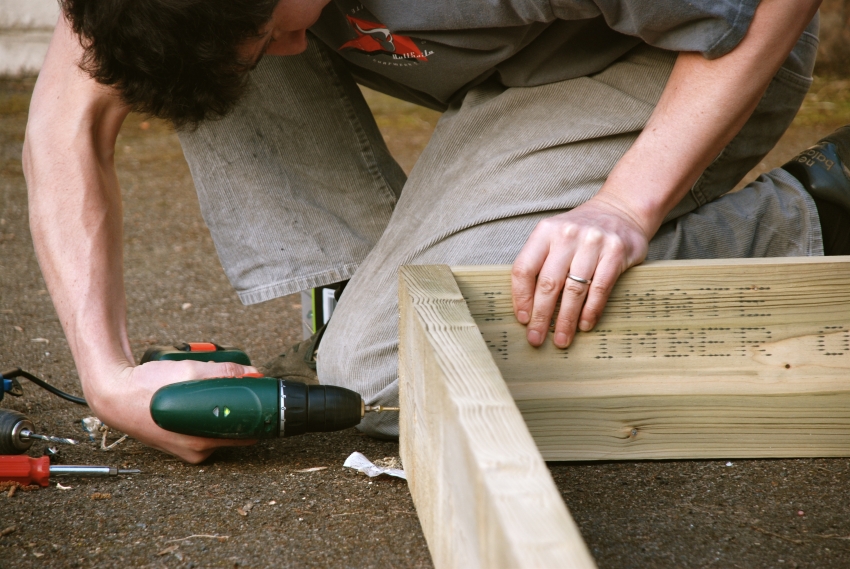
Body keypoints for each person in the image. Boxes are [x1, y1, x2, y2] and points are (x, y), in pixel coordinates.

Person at [23, 0, 836, 463]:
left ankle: (816, 207)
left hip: (687, 55)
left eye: (274, 34)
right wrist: (104, 374)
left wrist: (625, 206)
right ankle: (359, 289)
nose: (294, 53)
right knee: (218, 49)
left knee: (382, 372)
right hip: (504, 45)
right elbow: (69, 124)